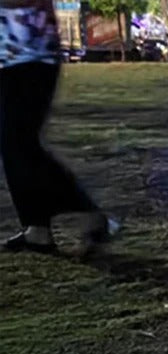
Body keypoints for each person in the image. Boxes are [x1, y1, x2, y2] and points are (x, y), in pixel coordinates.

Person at [0, 0, 117, 253]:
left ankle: (89, 212)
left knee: (18, 144)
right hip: (11, 56)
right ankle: (37, 229)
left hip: (31, 55)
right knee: (14, 146)